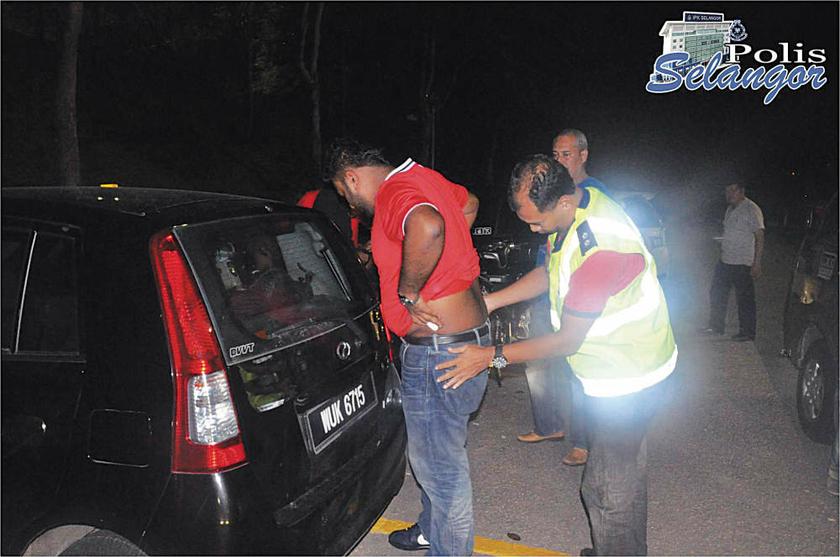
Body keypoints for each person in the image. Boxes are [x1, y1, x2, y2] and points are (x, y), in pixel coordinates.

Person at [436, 154, 678, 556]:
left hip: (630, 378)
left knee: (607, 493)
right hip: (617, 372)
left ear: (562, 202)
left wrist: (489, 357)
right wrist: (492, 302)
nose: (532, 229)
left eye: (536, 221)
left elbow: (566, 341)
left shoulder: (600, 249)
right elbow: (550, 272)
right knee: (619, 480)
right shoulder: (574, 214)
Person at [323, 138, 486, 556]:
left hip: (438, 351)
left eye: (345, 195)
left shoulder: (394, 192)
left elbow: (429, 225)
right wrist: (445, 267)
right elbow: (468, 205)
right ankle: (433, 528)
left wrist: (410, 291)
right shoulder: (423, 177)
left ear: (353, 178)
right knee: (439, 453)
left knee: (442, 471)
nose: (351, 206)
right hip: (467, 338)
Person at [703, 182, 764, 341]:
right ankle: (716, 326)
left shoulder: (751, 209)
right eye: (727, 190)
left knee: (744, 300)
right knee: (717, 293)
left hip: (743, 263)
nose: (729, 194)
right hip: (726, 261)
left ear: (742, 191)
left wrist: (757, 262)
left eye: (732, 190)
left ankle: (748, 332)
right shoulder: (730, 209)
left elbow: (759, 236)